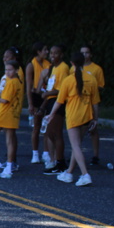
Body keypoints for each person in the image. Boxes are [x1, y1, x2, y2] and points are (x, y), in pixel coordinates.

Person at [45, 52, 98, 186]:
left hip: (73, 116)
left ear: (72, 63)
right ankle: (69, 172)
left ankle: (85, 174)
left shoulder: (68, 80)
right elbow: (95, 102)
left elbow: (59, 101)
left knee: (76, 146)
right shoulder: (91, 79)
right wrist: (95, 118)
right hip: (86, 115)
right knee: (77, 146)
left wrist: (51, 114)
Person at [40, 44, 71, 174]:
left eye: (56, 53)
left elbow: (62, 90)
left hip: (57, 102)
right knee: (49, 133)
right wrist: (43, 104)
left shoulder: (63, 68)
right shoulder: (53, 68)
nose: (52, 55)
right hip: (50, 101)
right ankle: (55, 160)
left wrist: (48, 94)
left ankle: (60, 162)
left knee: (57, 133)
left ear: (61, 55)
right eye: (51, 53)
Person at [0, 60, 22, 178]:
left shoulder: (11, 82)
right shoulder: (18, 82)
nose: (7, 72)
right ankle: (9, 166)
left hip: (4, 112)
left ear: (16, 70)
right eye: (6, 70)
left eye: (10, 70)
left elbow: (5, 99)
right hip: (13, 113)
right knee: (10, 140)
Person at [25, 42, 51, 164]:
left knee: (47, 126)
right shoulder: (31, 65)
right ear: (38, 52)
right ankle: (35, 153)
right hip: (36, 95)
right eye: (45, 50)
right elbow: (28, 86)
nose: (47, 52)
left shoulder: (48, 64)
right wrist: (30, 103)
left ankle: (46, 153)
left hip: (46, 95)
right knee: (36, 126)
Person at [80, 45, 105, 165]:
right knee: (78, 129)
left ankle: (96, 155)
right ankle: (76, 154)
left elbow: (101, 86)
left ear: (91, 54)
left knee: (93, 128)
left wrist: (90, 87)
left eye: (87, 52)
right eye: (82, 53)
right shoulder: (74, 68)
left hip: (91, 101)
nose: (84, 55)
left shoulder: (97, 69)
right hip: (79, 102)